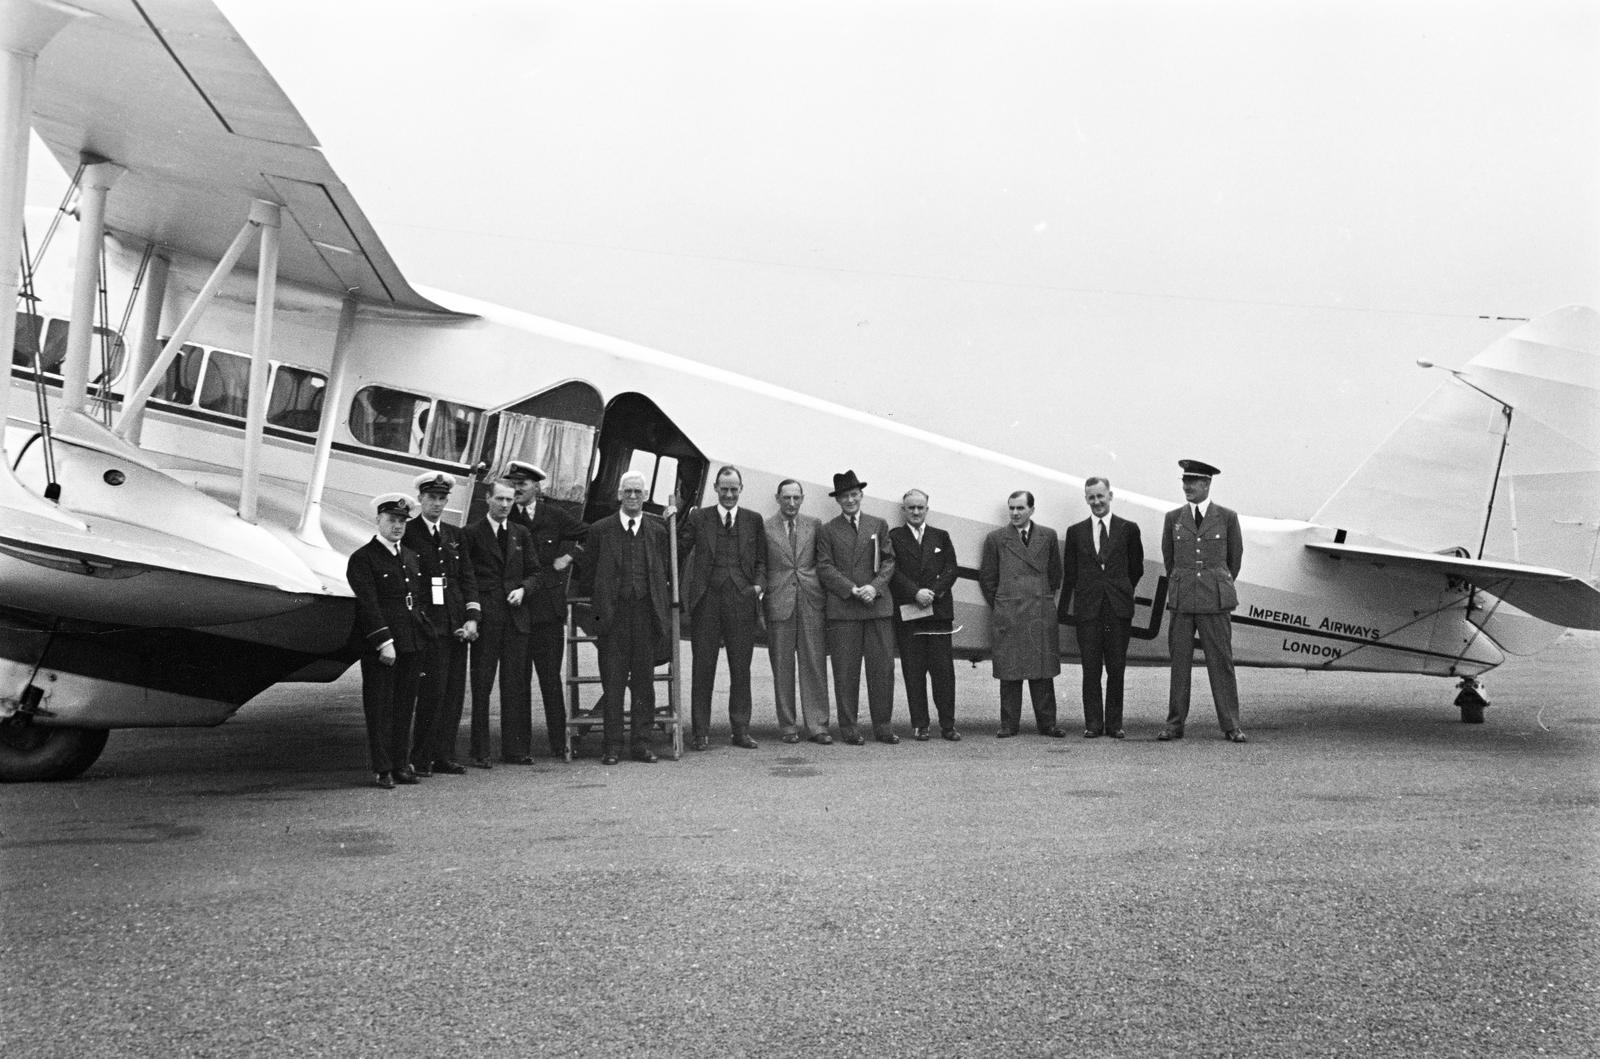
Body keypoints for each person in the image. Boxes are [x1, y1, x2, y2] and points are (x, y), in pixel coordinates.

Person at [347, 492, 436, 789]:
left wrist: (422, 633)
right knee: (380, 707)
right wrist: (384, 641)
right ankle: (382, 768)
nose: (397, 525)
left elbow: (418, 598)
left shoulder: (410, 556)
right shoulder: (363, 559)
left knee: (403, 707)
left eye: (402, 520)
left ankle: (400, 764)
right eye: (391, 519)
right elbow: (368, 605)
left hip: (411, 643)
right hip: (384, 646)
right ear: (378, 521)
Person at [677, 466, 767, 750]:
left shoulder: (753, 520)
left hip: (741, 601)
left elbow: (763, 561)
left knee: (741, 669)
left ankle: (740, 730)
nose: (729, 494)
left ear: (741, 489)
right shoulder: (699, 517)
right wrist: (667, 522)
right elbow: (678, 548)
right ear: (715, 488)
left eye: (734, 489)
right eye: (724, 489)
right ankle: (700, 732)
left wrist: (758, 587)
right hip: (707, 602)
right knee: (703, 668)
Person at [503, 460, 589, 757]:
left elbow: (590, 534)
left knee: (550, 680)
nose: (516, 489)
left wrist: (568, 556)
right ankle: (519, 747)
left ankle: (558, 744)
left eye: (522, 484)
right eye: (513, 484)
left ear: (536, 487)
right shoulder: (506, 516)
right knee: (518, 681)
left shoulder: (553, 515)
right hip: (517, 610)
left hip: (547, 612)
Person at [588, 472, 672, 765]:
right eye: (628, 492)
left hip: (646, 617)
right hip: (613, 618)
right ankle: (611, 746)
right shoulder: (601, 530)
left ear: (645, 496)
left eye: (638, 492)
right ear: (619, 495)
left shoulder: (658, 530)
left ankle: (642, 744)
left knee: (644, 685)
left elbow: (667, 567)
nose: (633, 497)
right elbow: (589, 575)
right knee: (612, 684)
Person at [1160, 459, 1247, 743]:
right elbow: (1169, 560)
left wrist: (1214, 583)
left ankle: (1231, 725)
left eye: (1193, 482)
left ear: (1207, 484)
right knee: (1179, 665)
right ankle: (1174, 724)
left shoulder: (1227, 517)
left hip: (1214, 601)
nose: (1187, 486)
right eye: (1184, 481)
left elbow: (1234, 560)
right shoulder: (1173, 518)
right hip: (1183, 601)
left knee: (1221, 663)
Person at [402, 472, 480, 775]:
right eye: (431, 497)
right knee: (431, 694)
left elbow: (467, 578)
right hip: (428, 627)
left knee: (452, 694)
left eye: (441, 498)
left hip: (456, 626)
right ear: (421, 499)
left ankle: (444, 755)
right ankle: (421, 758)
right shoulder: (408, 533)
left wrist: (472, 617)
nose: (437, 503)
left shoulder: (454, 535)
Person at [816, 470, 899, 745]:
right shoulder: (828, 530)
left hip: (876, 606)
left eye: (854, 494)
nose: (850, 500)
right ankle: (849, 727)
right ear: (838, 500)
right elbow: (824, 566)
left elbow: (889, 561)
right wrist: (851, 589)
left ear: (861, 495)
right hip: (845, 609)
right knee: (845, 671)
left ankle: (883, 726)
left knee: (882, 670)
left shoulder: (879, 524)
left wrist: (874, 587)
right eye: (844, 496)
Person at [462, 479, 540, 766]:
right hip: (487, 620)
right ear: (487, 499)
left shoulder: (521, 533)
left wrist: (524, 590)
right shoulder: (471, 534)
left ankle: (514, 749)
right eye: (500, 499)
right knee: (482, 687)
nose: (506, 505)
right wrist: (473, 615)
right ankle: (480, 750)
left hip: (516, 621)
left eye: (510, 499)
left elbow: (535, 572)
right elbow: (466, 578)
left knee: (515, 685)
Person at [1059, 477, 1143, 739]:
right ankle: (1093, 724)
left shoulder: (1128, 529)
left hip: (1117, 610)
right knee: (1091, 669)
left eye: (1100, 496)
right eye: (1091, 497)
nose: (1096, 502)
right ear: (1086, 499)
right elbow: (1070, 573)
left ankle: (1114, 724)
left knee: (1116, 668)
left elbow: (1136, 569)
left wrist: (1119, 590)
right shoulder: (1076, 532)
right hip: (1089, 611)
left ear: (1110, 496)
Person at [978, 491, 1067, 738]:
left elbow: (1055, 575)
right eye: (1011, 509)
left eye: (1020, 508)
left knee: (1042, 671)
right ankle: (1009, 725)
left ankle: (1047, 724)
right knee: (1010, 671)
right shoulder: (996, 539)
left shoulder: (1047, 536)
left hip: (1038, 611)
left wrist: (1042, 598)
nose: (1015, 513)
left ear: (1032, 510)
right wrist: (1003, 603)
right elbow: (988, 578)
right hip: (1011, 613)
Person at [888, 489, 960, 741]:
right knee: (914, 671)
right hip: (910, 615)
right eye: (911, 508)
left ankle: (948, 725)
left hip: (938, 615)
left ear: (927, 509)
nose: (916, 512)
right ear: (903, 510)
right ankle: (920, 724)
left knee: (943, 673)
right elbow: (892, 571)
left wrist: (934, 593)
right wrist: (915, 592)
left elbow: (952, 569)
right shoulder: (894, 537)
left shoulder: (941, 536)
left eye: (920, 507)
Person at [764, 479, 832, 745]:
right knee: (782, 665)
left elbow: (821, 562)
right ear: (777, 498)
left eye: (796, 498)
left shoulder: (814, 525)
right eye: (786, 498)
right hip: (779, 600)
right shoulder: (766, 527)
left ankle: (818, 726)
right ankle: (788, 726)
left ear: (802, 498)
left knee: (814, 663)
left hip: (810, 600)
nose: (791, 503)